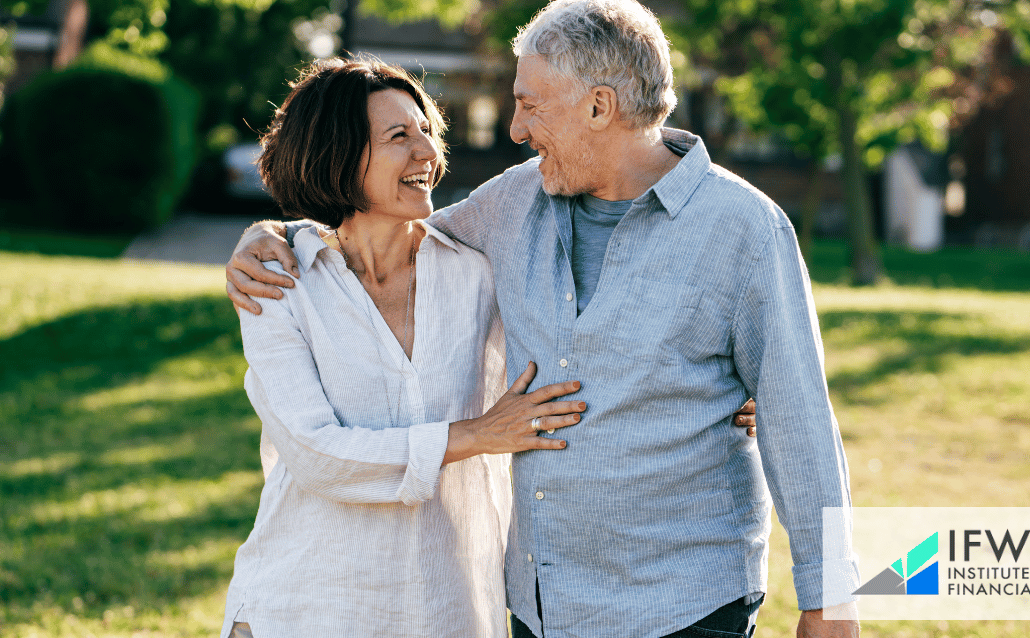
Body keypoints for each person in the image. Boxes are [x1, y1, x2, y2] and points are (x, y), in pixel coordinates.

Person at [227, 1, 859, 636]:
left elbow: (799, 421)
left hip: (683, 606)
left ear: (598, 107)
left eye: (531, 104)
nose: (516, 129)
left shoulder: (742, 229)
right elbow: (379, 233)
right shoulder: (512, 203)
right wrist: (273, 233)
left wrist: (830, 601)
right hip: (543, 608)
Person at [220, 57, 591, 638]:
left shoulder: (480, 276)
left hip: (447, 611)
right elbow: (319, 456)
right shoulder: (279, 284)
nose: (427, 153)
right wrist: (477, 435)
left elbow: (584, 353)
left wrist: (720, 391)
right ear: (338, 154)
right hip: (302, 608)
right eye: (399, 137)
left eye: (426, 132)